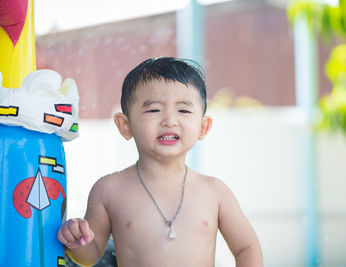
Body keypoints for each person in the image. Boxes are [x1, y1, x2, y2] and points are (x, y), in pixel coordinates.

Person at [57, 57, 263, 266]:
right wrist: (77, 242)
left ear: (203, 127)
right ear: (125, 125)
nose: (169, 120)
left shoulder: (215, 192)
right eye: (154, 110)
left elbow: (247, 247)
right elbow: (90, 255)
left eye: (183, 110)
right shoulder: (109, 190)